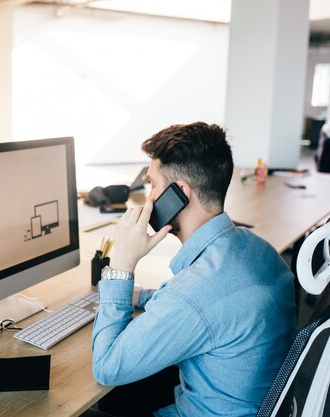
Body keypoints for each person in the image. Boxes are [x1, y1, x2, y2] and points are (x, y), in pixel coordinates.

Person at [91, 122, 297, 417]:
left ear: (180, 194)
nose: (149, 198)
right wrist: (144, 296)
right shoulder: (259, 250)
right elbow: (208, 304)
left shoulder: (193, 295)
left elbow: (107, 368)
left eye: (153, 185)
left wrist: (121, 267)